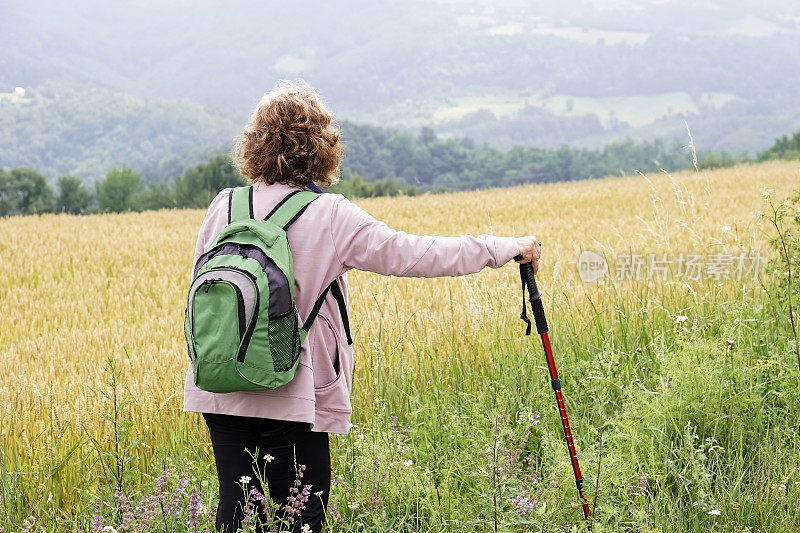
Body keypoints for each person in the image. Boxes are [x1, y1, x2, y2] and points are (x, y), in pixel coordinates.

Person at [183, 81, 541, 532]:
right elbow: (417, 254)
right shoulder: (330, 214)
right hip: (291, 391)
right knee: (301, 517)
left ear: (255, 142)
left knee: (236, 516)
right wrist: (503, 248)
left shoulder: (223, 206)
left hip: (219, 387)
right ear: (321, 147)